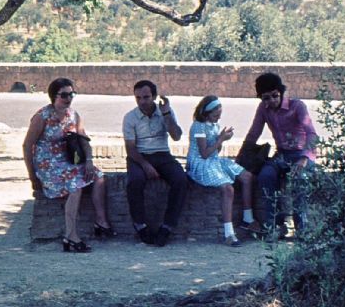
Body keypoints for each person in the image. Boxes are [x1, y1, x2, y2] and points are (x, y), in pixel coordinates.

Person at [23, 78, 114, 253]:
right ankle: (71, 236)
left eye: (71, 94)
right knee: (76, 185)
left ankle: (101, 222)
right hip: (47, 165)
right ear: (54, 96)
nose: (68, 98)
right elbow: (27, 146)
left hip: (67, 162)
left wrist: (89, 161)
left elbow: (84, 140)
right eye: (64, 95)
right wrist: (32, 176)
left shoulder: (73, 115)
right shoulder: (42, 116)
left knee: (98, 176)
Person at [244, 72, 318, 240]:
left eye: (274, 96)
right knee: (265, 176)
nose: (271, 101)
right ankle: (276, 226)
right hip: (282, 154)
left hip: (301, 154)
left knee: (300, 181)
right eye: (266, 98)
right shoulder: (264, 109)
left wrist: (305, 158)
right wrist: (242, 157)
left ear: (281, 92)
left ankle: (302, 229)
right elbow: (253, 133)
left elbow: (312, 134)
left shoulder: (297, 106)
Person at [122, 80, 188, 247]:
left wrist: (166, 115)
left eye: (146, 97)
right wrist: (145, 165)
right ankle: (141, 226)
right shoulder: (130, 117)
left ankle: (167, 226)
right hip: (139, 155)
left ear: (154, 96)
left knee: (180, 180)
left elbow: (177, 136)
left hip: (162, 154)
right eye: (138, 98)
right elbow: (130, 148)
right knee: (135, 181)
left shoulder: (164, 112)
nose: (142, 101)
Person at [187, 96, 255, 247]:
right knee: (227, 189)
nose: (218, 117)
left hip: (213, 160)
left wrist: (221, 138)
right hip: (201, 163)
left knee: (247, 176)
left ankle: (248, 218)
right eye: (215, 115)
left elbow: (215, 151)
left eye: (219, 114)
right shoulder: (198, 127)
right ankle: (229, 233)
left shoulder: (215, 126)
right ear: (206, 113)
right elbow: (204, 153)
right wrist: (221, 139)